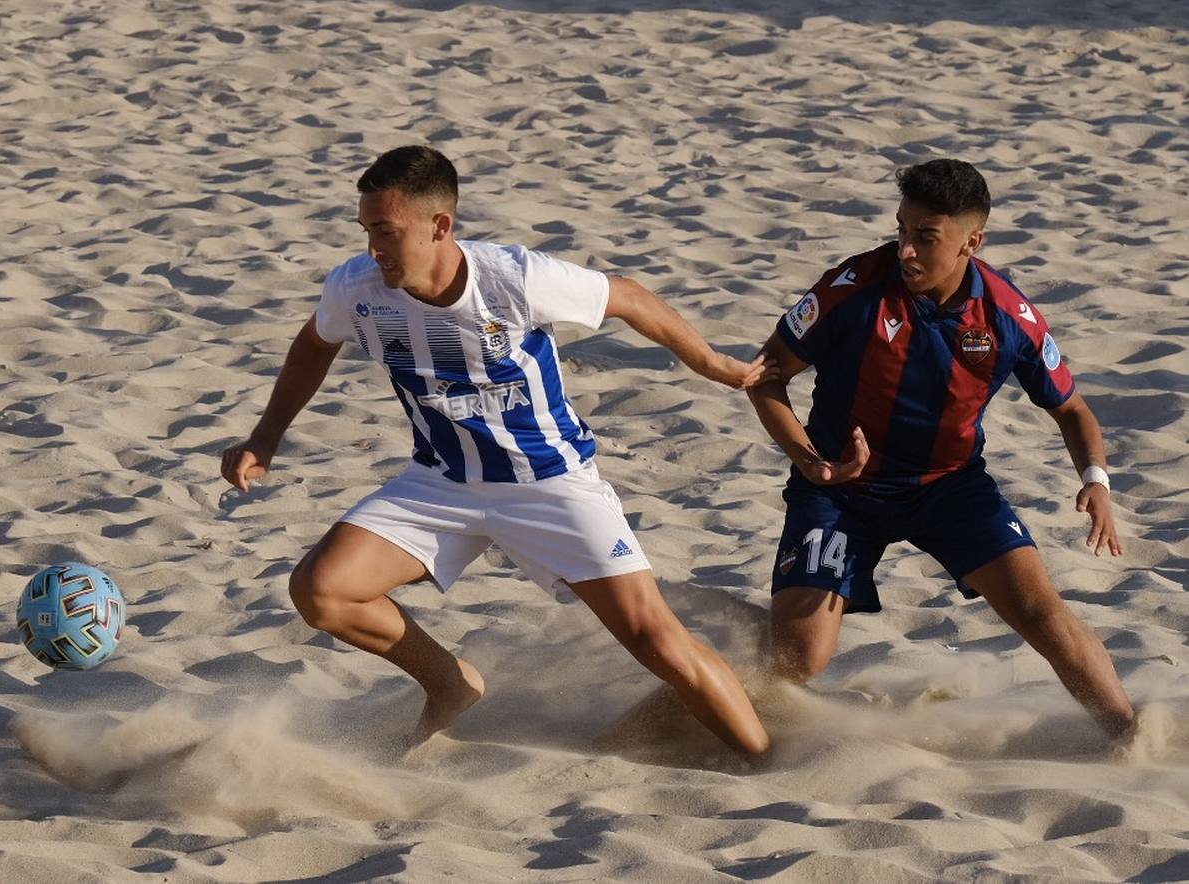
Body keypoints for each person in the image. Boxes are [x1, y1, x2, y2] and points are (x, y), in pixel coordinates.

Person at [221, 145, 772, 755]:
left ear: (440, 226)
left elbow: (628, 296)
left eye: (386, 230)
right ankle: (450, 685)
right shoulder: (357, 289)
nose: (373, 247)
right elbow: (313, 344)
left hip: (548, 482)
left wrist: (712, 362)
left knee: (657, 642)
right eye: (366, 230)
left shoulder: (513, 278)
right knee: (321, 591)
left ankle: (765, 761)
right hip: (441, 481)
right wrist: (265, 437)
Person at [746, 157, 1136, 739]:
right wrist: (810, 461)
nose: (905, 249)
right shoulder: (853, 287)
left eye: (925, 237)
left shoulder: (1008, 315)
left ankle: (1129, 736)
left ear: (971, 242)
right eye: (901, 229)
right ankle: (734, 645)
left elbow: (1073, 410)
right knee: (797, 659)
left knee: (1042, 612)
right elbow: (765, 374)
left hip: (949, 487)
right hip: (840, 490)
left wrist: (1096, 482)